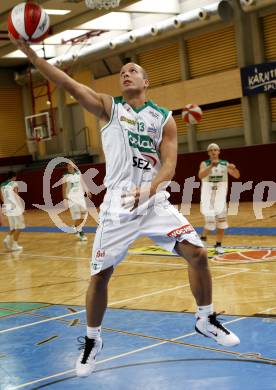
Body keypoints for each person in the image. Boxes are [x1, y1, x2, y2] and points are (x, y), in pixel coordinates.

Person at [10, 36, 240, 378]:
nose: (126, 74)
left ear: (146, 82)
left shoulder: (164, 119)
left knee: (198, 253)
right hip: (118, 203)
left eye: (133, 70)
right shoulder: (109, 107)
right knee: (101, 275)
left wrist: (150, 189)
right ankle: (92, 340)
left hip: (152, 199)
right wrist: (31, 55)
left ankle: (205, 318)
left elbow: (170, 166)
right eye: (122, 72)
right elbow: (66, 83)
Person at [198, 143, 240, 254]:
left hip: (220, 198)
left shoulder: (224, 163)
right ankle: (203, 238)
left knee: (221, 223)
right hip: (208, 198)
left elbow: (237, 175)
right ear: (208, 153)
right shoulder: (204, 163)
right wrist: (211, 166)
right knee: (210, 222)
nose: (213, 151)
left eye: (215, 150)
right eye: (211, 150)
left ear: (219, 152)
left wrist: (234, 168)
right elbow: (201, 175)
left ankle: (218, 245)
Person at [62, 160, 89, 241]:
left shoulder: (78, 173)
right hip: (72, 199)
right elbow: (63, 188)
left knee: (84, 215)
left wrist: (87, 190)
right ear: (67, 167)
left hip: (80, 197)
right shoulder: (65, 176)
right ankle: (80, 232)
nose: (70, 166)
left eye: (71, 164)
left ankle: (75, 228)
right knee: (77, 216)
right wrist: (64, 199)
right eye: (68, 165)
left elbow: (82, 182)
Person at [0, 171, 25, 251]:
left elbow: (2, 198)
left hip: (7, 207)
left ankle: (7, 240)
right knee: (20, 226)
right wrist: (22, 208)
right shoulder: (14, 184)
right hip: (15, 207)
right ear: (13, 177)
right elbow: (17, 196)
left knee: (13, 226)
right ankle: (14, 245)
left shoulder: (2, 185)